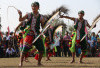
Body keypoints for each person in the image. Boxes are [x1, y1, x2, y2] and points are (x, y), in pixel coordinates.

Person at [17, 2, 45, 66]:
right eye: (32, 6)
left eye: (35, 6)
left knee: (41, 50)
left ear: (38, 7)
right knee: (24, 49)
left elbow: (43, 27)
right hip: (29, 34)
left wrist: (46, 27)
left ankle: (39, 63)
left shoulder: (41, 17)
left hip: (37, 35)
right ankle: (20, 62)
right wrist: (20, 14)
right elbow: (20, 19)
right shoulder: (28, 15)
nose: (33, 7)